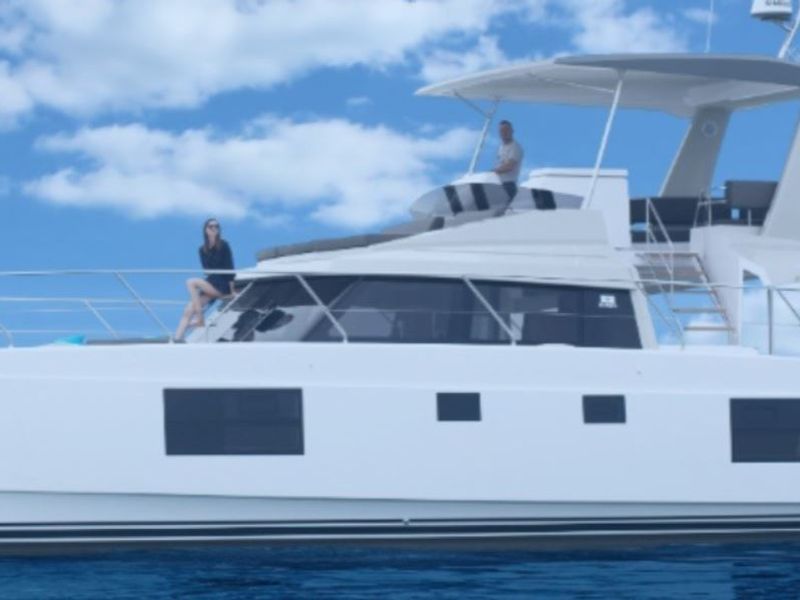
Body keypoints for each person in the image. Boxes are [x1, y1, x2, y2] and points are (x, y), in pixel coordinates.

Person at [175, 218, 235, 341]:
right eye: (211, 226)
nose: (214, 229)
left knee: (191, 282)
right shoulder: (202, 249)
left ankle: (200, 319)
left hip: (222, 285)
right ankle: (177, 339)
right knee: (188, 309)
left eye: (216, 226)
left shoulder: (224, 245)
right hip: (211, 284)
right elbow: (206, 271)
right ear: (205, 229)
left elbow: (230, 268)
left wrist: (232, 290)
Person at [493, 119, 524, 199]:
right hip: (498, 184)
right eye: (502, 131)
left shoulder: (515, 147)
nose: (504, 132)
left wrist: (493, 172)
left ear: (512, 131)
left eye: (506, 130)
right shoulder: (501, 147)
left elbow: (509, 166)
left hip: (508, 186)